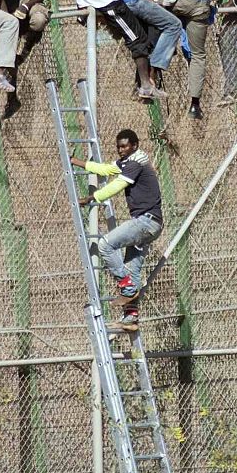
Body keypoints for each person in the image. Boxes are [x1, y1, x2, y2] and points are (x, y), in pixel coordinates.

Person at [70, 128, 162, 334]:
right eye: (119, 147)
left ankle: (126, 286)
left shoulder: (137, 163)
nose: (121, 150)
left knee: (105, 244)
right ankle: (130, 317)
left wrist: (92, 197)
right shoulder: (128, 162)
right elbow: (105, 170)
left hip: (146, 221)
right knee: (133, 269)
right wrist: (78, 163)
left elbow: (117, 185)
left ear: (135, 146)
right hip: (149, 223)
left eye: (125, 146)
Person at [1, 0, 56, 119]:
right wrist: (11, 7)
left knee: (39, 20)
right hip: (11, 0)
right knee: (10, 58)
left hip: (31, 1)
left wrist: (26, 6)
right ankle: (12, 98)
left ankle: (31, 39)